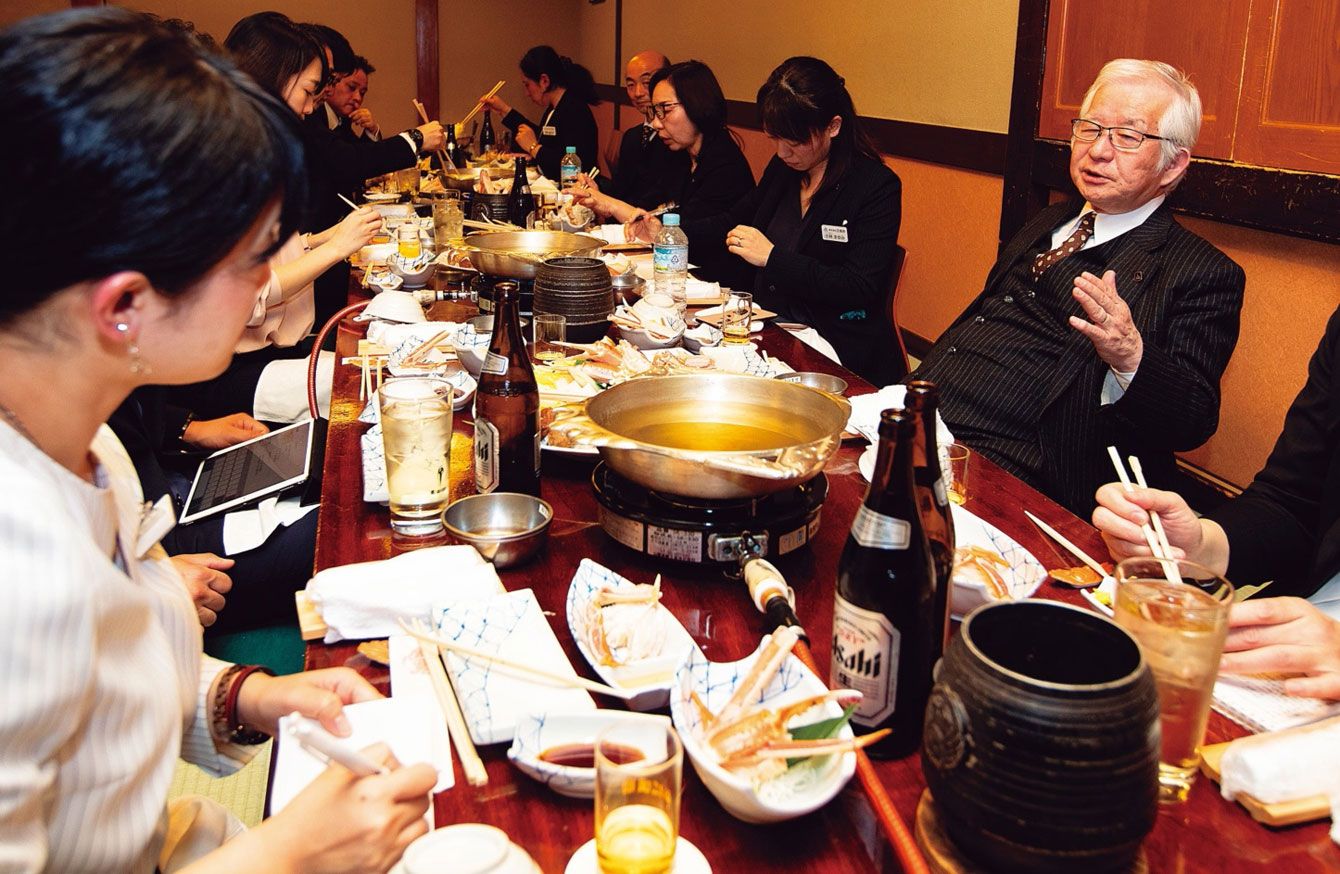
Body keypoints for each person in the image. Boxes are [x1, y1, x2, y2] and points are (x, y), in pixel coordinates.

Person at [0, 9, 436, 872]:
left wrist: (249, 696)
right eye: (252, 258)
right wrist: (289, 856)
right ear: (124, 306)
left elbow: (104, 684)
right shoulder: (19, 572)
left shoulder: (92, 447)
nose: (265, 287)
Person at [910, 59, 1245, 514]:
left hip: (1019, 471)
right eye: (1089, 129)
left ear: (1172, 165)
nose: (1098, 151)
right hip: (918, 418)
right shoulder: (1052, 219)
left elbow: (1193, 420)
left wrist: (1130, 354)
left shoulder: (1200, 272)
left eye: (1127, 136)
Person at [163, 13, 383, 423]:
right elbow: (248, 298)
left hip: (268, 345)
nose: (309, 107)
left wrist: (322, 239)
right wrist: (336, 247)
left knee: (378, 349)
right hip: (223, 370)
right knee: (362, 385)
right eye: (309, 91)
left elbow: (264, 258)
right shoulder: (214, 169)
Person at [686, 57, 903, 385]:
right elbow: (734, 219)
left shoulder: (875, 186)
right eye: (775, 138)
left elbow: (857, 287)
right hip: (770, 327)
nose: (783, 152)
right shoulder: (783, 170)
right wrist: (669, 231)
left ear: (833, 126)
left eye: (796, 141)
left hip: (833, 345)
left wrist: (773, 259)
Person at [572, 60, 755, 281]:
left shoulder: (726, 165)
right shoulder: (678, 155)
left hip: (715, 287)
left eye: (665, 111)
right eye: (655, 112)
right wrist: (604, 200)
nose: (657, 124)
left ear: (698, 105)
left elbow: (684, 231)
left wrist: (611, 204)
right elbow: (649, 209)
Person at [480, 44, 599, 181]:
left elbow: (572, 166)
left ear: (544, 81)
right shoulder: (555, 107)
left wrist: (534, 148)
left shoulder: (575, 110)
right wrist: (503, 110)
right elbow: (544, 139)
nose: (526, 93)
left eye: (527, 84)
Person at [593, 50, 676, 211]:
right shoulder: (632, 136)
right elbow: (619, 191)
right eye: (631, 85)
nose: (637, 93)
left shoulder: (676, 140)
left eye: (646, 82)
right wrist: (596, 192)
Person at [329, 55, 380, 142]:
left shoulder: (344, 122)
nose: (358, 98)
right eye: (351, 87)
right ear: (334, 80)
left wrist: (372, 131)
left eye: (362, 93)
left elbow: (358, 154)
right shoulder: (312, 115)